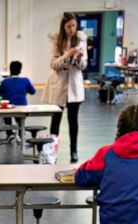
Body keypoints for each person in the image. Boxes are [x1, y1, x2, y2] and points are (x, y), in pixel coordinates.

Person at [43, 12, 87, 162]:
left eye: (74, 25)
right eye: (68, 26)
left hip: (74, 86)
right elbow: (54, 65)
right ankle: (51, 150)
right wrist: (67, 55)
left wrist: (79, 59)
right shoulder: (57, 41)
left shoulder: (81, 40)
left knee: (73, 120)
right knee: (56, 120)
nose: (71, 29)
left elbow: (83, 66)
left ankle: (73, 150)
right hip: (59, 86)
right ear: (63, 26)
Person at [0, 60, 36, 139]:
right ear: (20, 70)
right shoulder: (25, 80)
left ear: (10, 70)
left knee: (6, 113)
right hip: (22, 107)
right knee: (20, 117)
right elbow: (33, 92)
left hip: (8, 107)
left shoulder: (5, 81)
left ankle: (9, 132)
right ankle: (21, 132)